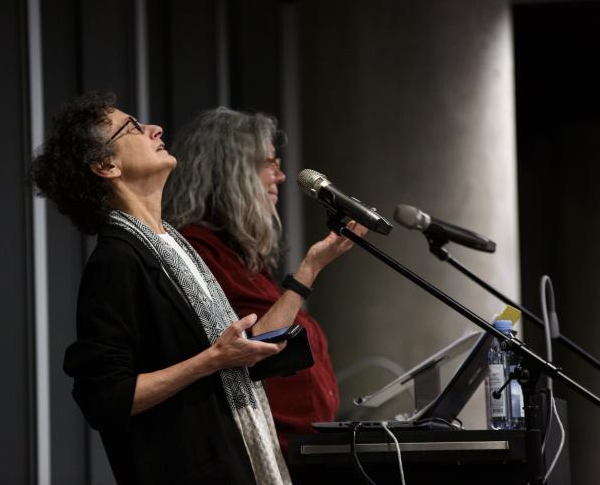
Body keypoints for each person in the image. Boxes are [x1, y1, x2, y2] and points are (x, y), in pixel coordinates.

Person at [30, 92, 295, 485]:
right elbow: (105, 398)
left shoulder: (172, 243)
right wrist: (213, 359)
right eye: (133, 127)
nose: (155, 129)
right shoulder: (116, 260)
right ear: (106, 165)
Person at [163, 107, 367, 454]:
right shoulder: (198, 250)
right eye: (269, 164)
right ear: (233, 172)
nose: (281, 176)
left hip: (300, 450)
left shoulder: (241, 257)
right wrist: (310, 268)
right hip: (262, 453)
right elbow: (253, 347)